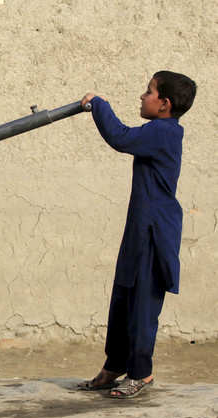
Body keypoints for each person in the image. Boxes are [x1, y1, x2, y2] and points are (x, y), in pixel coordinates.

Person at [77, 71, 197, 399]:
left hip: (154, 231)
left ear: (164, 105)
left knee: (143, 304)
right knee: (122, 298)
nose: (142, 96)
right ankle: (115, 365)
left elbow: (121, 137)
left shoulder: (164, 132)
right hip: (139, 227)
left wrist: (99, 104)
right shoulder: (159, 129)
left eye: (149, 92)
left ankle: (141, 373)